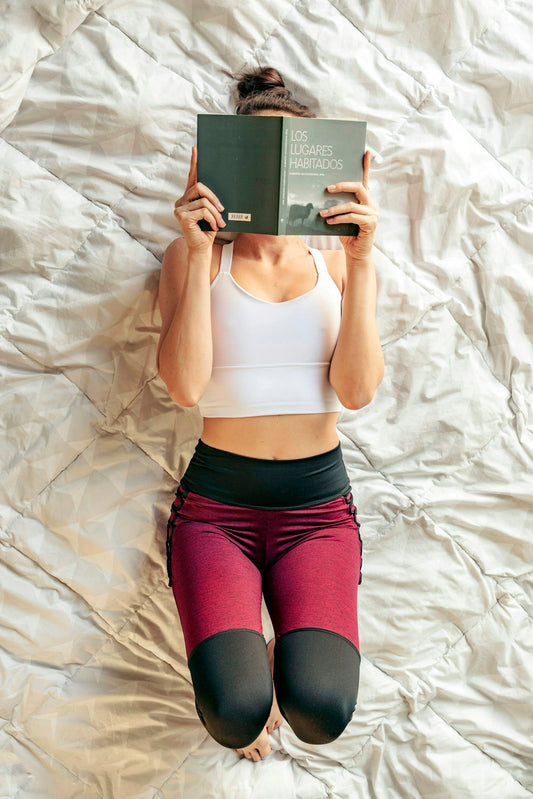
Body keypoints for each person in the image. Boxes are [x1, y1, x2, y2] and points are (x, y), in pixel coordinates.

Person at [157, 66, 383, 762]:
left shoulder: (338, 266)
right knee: (233, 715)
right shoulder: (193, 259)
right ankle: (246, 657)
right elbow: (185, 387)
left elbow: (356, 392)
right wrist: (199, 253)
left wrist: (362, 261)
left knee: (320, 711)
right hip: (216, 512)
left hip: (317, 512)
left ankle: (284, 643)